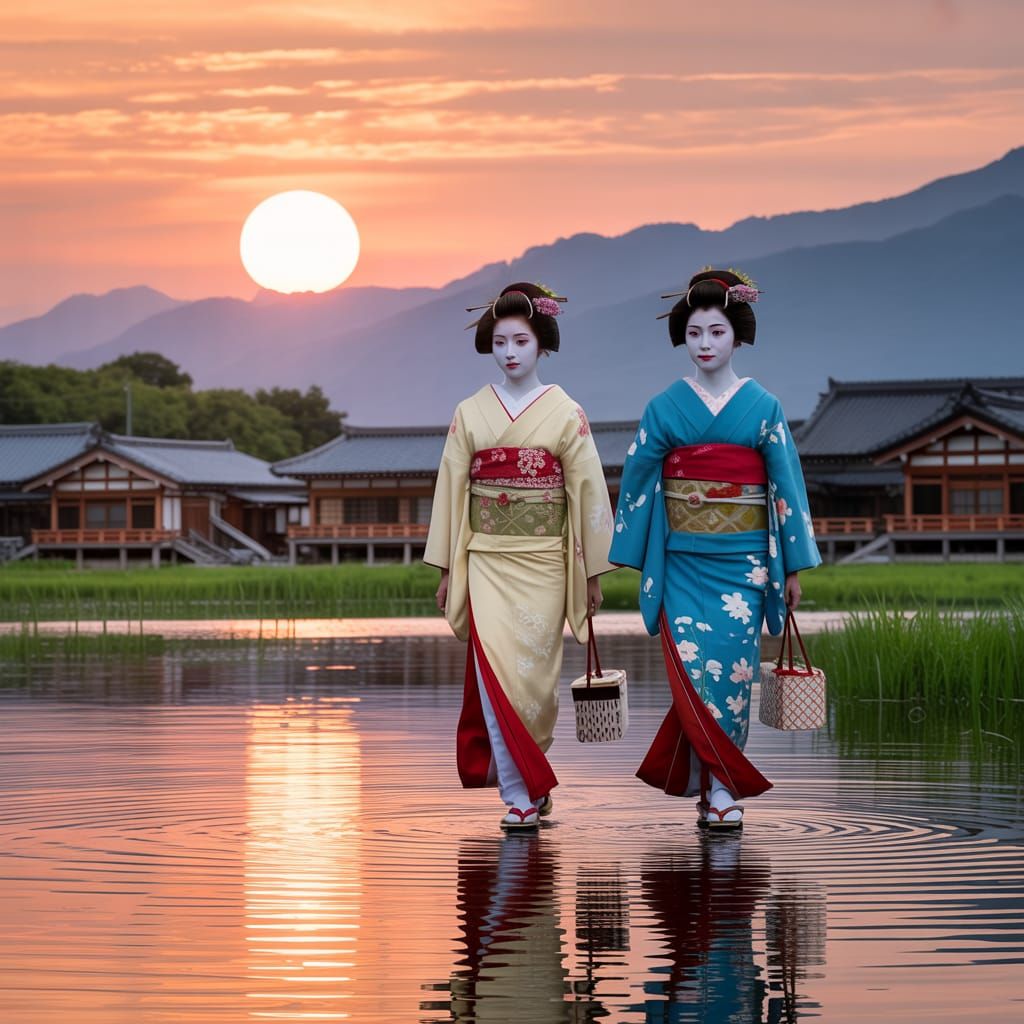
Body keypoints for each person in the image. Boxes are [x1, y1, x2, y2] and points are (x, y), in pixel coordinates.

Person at [609, 268, 820, 828]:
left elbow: (787, 486)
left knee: (731, 675)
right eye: (695, 332)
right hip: (681, 563)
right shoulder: (664, 407)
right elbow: (637, 478)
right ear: (683, 336)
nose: (704, 344)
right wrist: (636, 544)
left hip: (744, 563)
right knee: (693, 671)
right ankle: (713, 781)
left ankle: (722, 787)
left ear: (738, 337)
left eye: (717, 332)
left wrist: (792, 565)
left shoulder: (763, 407)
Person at [425, 282, 615, 831]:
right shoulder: (469, 413)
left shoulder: (565, 412)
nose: (510, 352)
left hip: (544, 564)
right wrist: (446, 569)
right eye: (501, 341)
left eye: (521, 341)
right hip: (485, 559)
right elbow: (451, 492)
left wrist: (591, 572)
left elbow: (587, 493)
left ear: (542, 347)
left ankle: (532, 776)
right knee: (493, 676)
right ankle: (520, 795)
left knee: (533, 682)